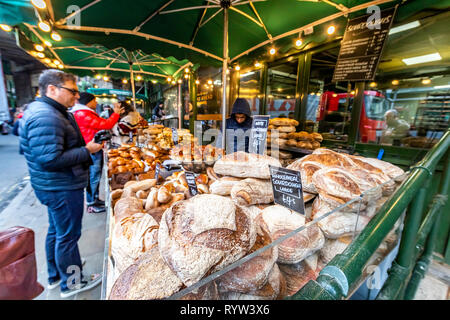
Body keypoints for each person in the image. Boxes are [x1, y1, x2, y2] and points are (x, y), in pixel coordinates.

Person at [19, 69, 104, 298]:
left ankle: (56, 274)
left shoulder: (48, 111)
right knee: (68, 235)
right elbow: (50, 159)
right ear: (52, 89)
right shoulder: (46, 116)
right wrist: (87, 150)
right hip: (60, 186)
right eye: (73, 91)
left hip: (54, 185)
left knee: (58, 232)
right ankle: (73, 281)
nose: (77, 97)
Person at [71, 92, 124, 213]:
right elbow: (106, 125)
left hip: (93, 148)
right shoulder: (83, 114)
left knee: (95, 176)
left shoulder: (83, 113)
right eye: (94, 100)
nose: (96, 103)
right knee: (93, 176)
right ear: (88, 101)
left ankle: (94, 199)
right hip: (91, 150)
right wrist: (116, 113)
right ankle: (91, 203)